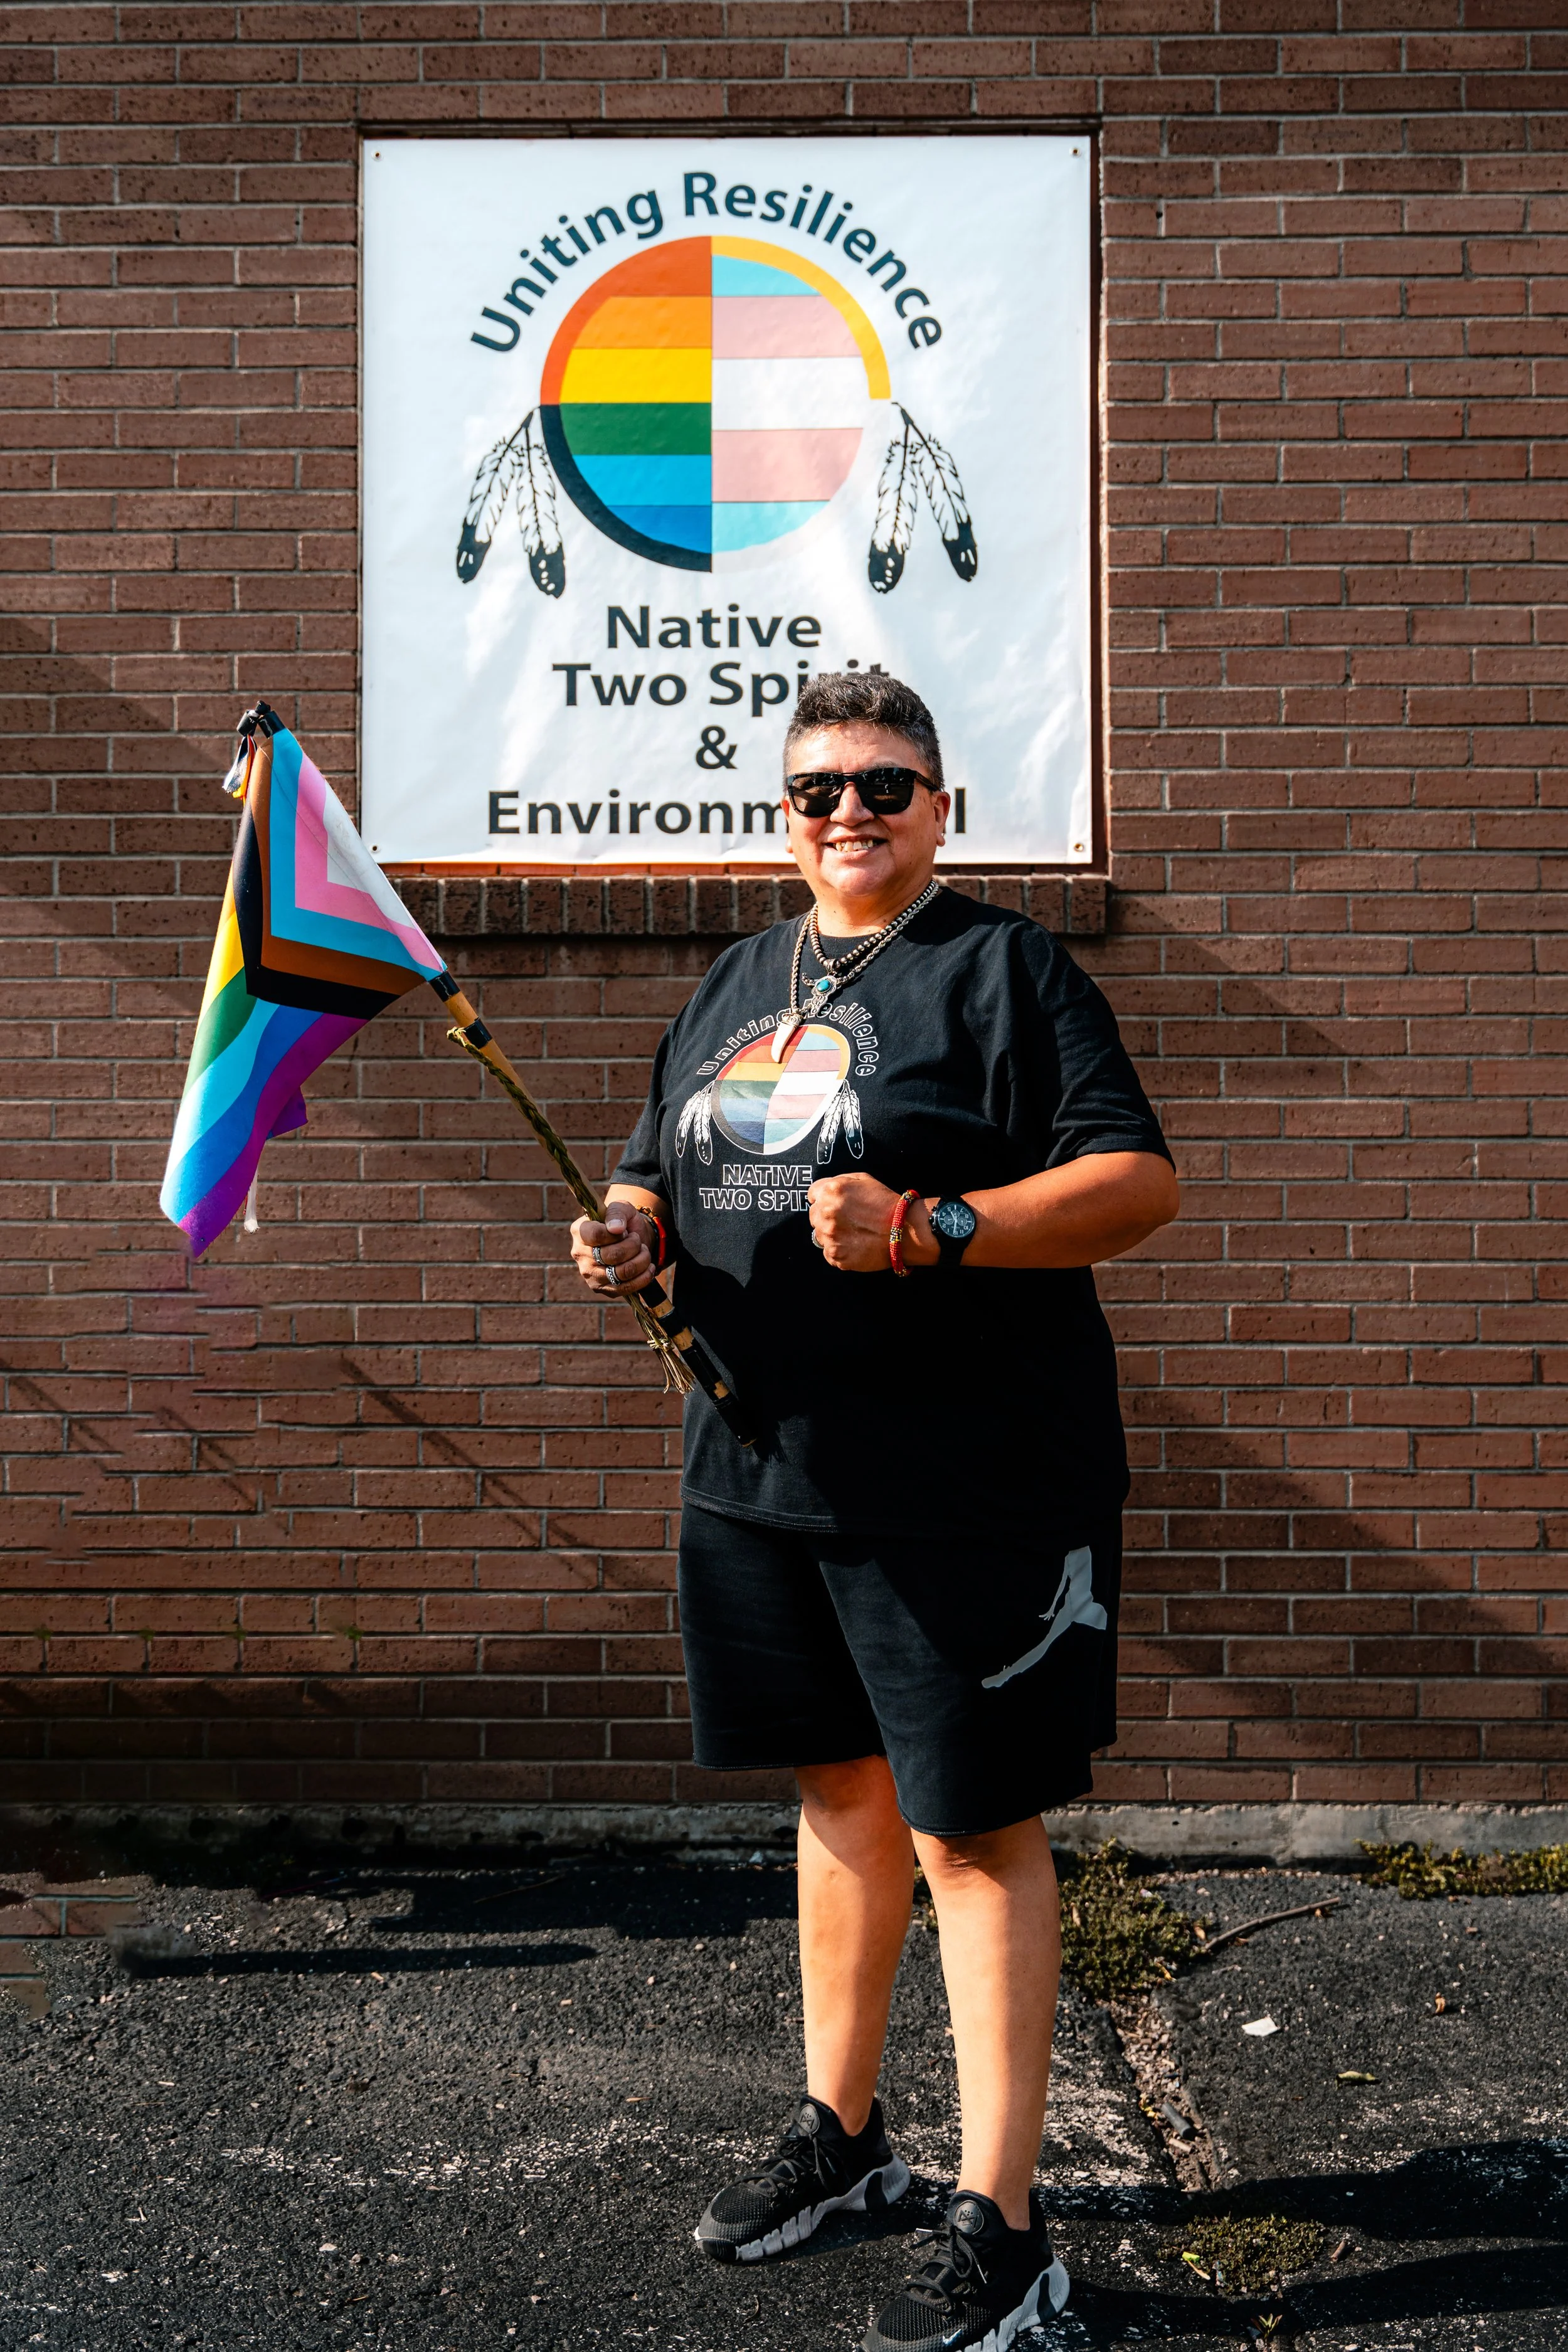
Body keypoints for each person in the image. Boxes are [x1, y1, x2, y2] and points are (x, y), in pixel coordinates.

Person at [569, 672, 1177, 2352]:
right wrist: (628, 1231)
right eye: (817, 787)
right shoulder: (735, 977)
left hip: (966, 1489)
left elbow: (1135, 1182)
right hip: (758, 1474)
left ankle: (1004, 2217)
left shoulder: (1002, 969)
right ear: (782, 809)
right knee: (836, 1793)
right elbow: (654, 1166)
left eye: (884, 785)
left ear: (941, 807)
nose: (848, 811)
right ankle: (843, 2137)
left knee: (971, 1832)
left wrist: (936, 1226)